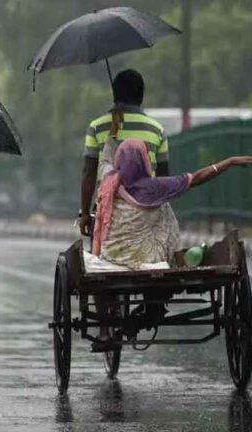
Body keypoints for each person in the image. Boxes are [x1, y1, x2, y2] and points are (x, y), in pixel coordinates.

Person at [92, 138, 252, 331]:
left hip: (113, 255)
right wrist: (230, 161)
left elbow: (105, 162)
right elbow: (196, 178)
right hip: (148, 258)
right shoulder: (155, 187)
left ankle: (110, 325)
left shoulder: (108, 183)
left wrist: (110, 137)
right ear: (144, 161)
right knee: (164, 207)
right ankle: (172, 274)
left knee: (160, 209)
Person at [78, 69, 169, 348]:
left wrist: (84, 212)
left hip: (110, 216)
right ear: (141, 96)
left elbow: (88, 173)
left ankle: (106, 327)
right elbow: (165, 175)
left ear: (114, 95)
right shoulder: (156, 130)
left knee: (97, 260)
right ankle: (154, 303)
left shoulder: (97, 126)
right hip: (148, 213)